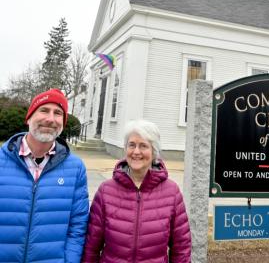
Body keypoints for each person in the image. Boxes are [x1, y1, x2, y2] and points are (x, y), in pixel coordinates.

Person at [82, 119, 191, 263]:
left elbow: (181, 248)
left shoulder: (172, 192)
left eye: (143, 146)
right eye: (131, 145)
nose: (136, 152)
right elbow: (91, 247)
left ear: (154, 152)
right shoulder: (105, 191)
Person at [0, 88, 89, 263]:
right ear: (29, 117)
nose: (50, 119)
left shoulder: (75, 168)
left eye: (57, 113)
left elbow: (78, 226)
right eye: (44, 110)